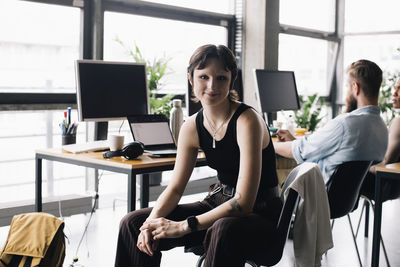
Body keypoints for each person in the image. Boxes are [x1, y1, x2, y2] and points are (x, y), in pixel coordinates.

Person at [114, 44, 282, 267]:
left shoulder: (247, 121)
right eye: (204, 77)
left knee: (223, 228)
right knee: (133, 223)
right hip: (218, 203)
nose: (212, 86)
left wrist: (183, 225)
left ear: (232, 79)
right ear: (191, 79)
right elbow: (174, 189)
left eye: (221, 78)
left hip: (261, 216)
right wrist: (150, 224)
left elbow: (243, 203)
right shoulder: (191, 126)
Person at [274, 59, 388, 183]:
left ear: (355, 87)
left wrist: (270, 144)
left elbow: (301, 151)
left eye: (346, 87)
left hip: (316, 197)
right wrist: (296, 141)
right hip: (346, 201)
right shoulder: (382, 128)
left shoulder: (346, 124)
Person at [360, 77, 400, 200]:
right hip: (395, 187)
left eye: (399, 89)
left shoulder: (399, 122)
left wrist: (360, 169)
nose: (394, 93)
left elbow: (386, 162)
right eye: (395, 88)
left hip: (384, 185)